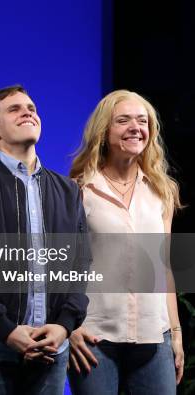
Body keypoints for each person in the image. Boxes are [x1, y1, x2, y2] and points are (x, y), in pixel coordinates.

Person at [0, 85, 89, 395]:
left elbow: (80, 265)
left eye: (32, 108)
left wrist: (64, 325)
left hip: (53, 346)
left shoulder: (68, 191)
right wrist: (6, 331)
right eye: (15, 109)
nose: (28, 112)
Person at [67, 90, 184, 394]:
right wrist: (71, 327)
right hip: (94, 339)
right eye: (123, 120)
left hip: (153, 338)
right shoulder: (78, 189)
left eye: (142, 121)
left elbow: (165, 266)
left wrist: (175, 332)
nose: (135, 127)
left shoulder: (163, 190)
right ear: (104, 132)